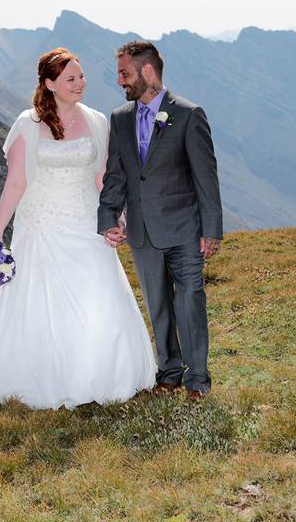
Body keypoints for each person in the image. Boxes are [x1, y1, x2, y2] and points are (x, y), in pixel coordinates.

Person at [0, 48, 157, 409]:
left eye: (81, 76)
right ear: (50, 84)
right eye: (70, 79)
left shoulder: (97, 121)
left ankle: (100, 373)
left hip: (86, 224)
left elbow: (102, 179)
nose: (80, 83)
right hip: (41, 226)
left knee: (98, 298)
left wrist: (117, 217)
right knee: (38, 303)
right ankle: (40, 376)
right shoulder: (28, 124)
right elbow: (16, 182)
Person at [98, 41, 223, 402]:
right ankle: (169, 371)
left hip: (185, 229)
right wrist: (109, 216)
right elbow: (116, 174)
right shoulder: (120, 118)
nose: (120, 80)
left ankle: (197, 380)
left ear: (148, 72)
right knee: (158, 305)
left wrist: (211, 229)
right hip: (142, 232)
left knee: (189, 302)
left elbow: (206, 176)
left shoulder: (188, 114)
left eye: (125, 73)